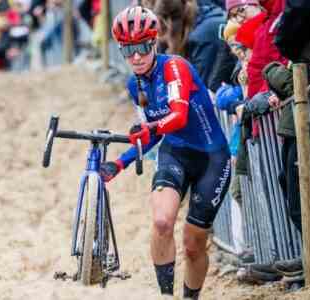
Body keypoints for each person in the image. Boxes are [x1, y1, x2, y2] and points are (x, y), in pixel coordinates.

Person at [99, 6, 231, 299]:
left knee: (193, 244)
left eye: (143, 47)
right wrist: (119, 163)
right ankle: (165, 296)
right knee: (161, 222)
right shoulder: (135, 84)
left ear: (154, 41)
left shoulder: (175, 67)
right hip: (175, 152)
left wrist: (151, 128)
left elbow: (178, 117)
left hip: (212, 158)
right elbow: (151, 136)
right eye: (128, 50)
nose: (136, 56)